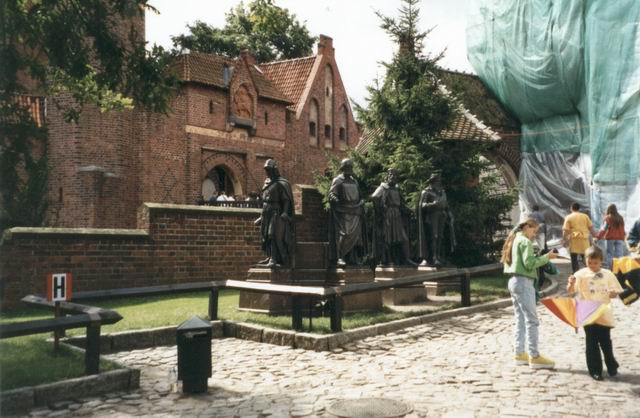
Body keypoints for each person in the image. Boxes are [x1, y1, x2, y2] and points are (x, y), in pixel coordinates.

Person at [502, 218, 558, 369]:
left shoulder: (514, 239)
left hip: (513, 281)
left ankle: (519, 354)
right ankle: (534, 356)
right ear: (527, 227)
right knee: (532, 320)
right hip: (524, 282)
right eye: (534, 230)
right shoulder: (525, 242)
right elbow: (529, 264)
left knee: (520, 319)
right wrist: (547, 257)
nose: (535, 234)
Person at [567, 246, 624, 380]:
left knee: (605, 341)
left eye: (595, 263)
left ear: (601, 261)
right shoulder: (580, 274)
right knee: (591, 342)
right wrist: (570, 283)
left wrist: (612, 293)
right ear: (585, 261)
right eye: (589, 263)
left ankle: (611, 364)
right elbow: (570, 291)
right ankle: (595, 370)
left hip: (603, 312)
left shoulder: (608, 274)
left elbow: (615, 293)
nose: (592, 266)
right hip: (587, 312)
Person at [254, 159, 295, 267]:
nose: (267, 171)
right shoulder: (267, 182)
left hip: (275, 211)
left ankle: (274, 259)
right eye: (266, 169)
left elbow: (286, 199)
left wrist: (285, 212)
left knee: (272, 234)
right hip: (266, 211)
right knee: (265, 236)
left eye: (269, 169)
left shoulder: (281, 183)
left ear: (274, 169)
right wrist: (261, 215)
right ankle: (269, 257)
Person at [371, 168, 415, 266]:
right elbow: (374, 197)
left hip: (397, 215)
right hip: (388, 215)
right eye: (391, 175)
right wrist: (381, 211)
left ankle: (407, 259)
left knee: (404, 238)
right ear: (387, 176)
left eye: (395, 176)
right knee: (388, 239)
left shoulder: (396, 188)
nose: (393, 177)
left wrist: (410, 210)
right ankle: (387, 260)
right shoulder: (383, 187)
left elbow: (402, 205)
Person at [328, 158, 367, 267]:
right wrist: (333, 197)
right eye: (347, 167)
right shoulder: (338, 180)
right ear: (343, 168)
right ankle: (340, 257)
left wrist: (361, 202)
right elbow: (332, 193)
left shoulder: (354, 181)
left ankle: (353, 259)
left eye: (350, 167)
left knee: (356, 237)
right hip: (344, 211)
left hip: (356, 210)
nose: (349, 169)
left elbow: (359, 195)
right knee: (345, 234)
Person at [417, 173, 456, 267]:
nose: (439, 182)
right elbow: (422, 205)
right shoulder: (426, 192)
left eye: (439, 181)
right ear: (432, 181)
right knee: (434, 236)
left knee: (440, 236)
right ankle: (433, 257)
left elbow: (446, 205)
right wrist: (433, 204)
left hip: (442, 215)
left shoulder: (442, 192)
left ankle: (438, 256)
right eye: (437, 181)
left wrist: (450, 215)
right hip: (432, 216)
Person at [563, 203, 597, 273]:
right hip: (584, 239)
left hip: (574, 239)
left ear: (571, 208)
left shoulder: (568, 217)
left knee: (574, 256)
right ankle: (589, 270)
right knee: (585, 256)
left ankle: (576, 272)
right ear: (579, 208)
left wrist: (564, 239)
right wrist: (595, 236)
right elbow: (591, 227)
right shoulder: (585, 216)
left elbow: (565, 230)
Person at [597, 204, 625, 269]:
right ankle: (619, 269)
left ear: (609, 209)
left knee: (609, 254)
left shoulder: (608, 218)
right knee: (619, 254)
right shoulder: (620, 218)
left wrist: (598, 236)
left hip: (610, 238)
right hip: (620, 238)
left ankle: (612, 268)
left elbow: (604, 229)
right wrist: (623, 237)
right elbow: (623, 229)